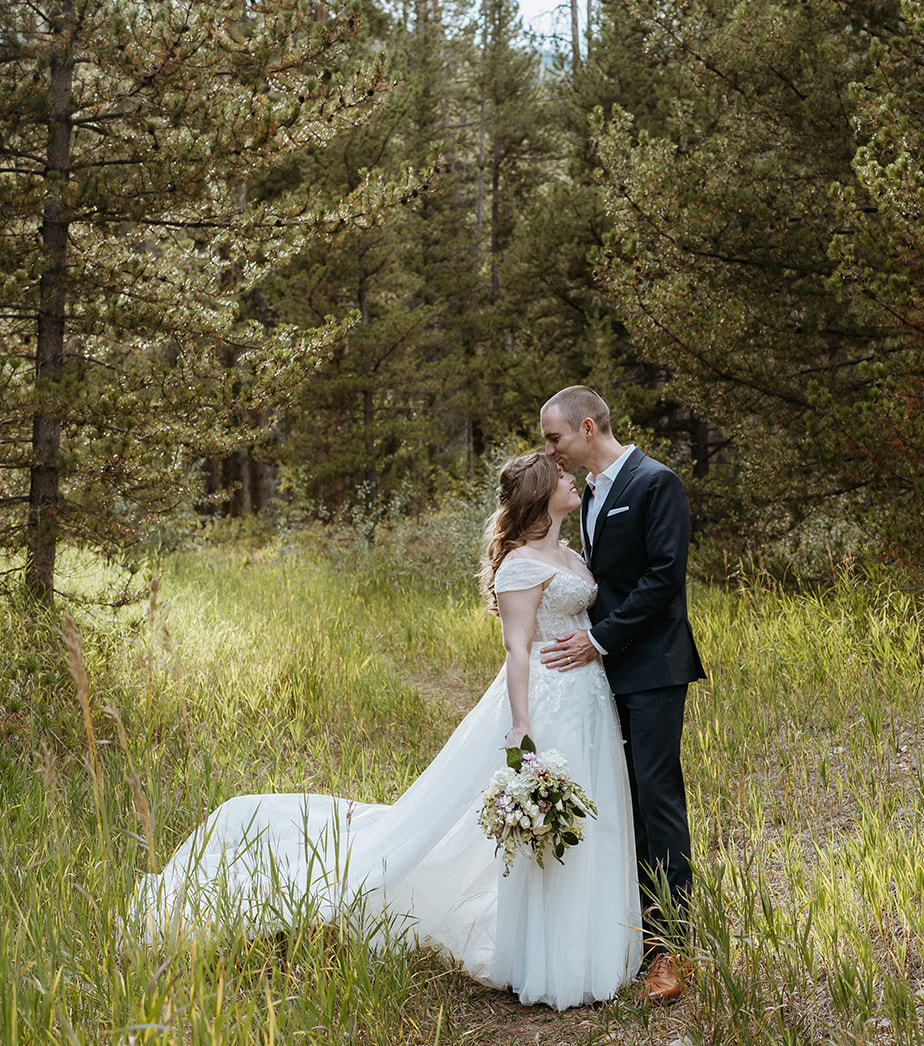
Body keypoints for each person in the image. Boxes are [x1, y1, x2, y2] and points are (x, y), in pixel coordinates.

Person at [129, 454, 643, 1011]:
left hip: (589, 699)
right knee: (546, 825)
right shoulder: (520, 566)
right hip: (548, 700)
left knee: (594, 818)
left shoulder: (570, 552)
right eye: (563, 475)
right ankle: (550, 961)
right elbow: (518, 647)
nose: (574, 479)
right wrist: (522, 724)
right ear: (543, 493)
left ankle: (594, 949)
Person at [539, 386, 705, 1005]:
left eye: (554, 438)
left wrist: (598, 641)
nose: (550, 451)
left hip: (654, 667)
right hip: (605, 673)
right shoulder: (588, 495)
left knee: (656, 797)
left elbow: (665, 577)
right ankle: (631, 936)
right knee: (620, 799)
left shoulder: (655, 482)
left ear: (586, 427)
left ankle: (674, 949)